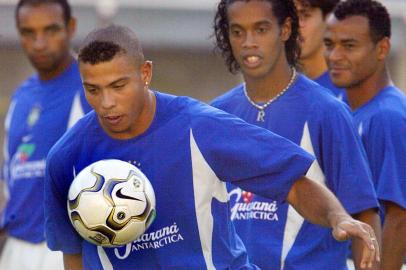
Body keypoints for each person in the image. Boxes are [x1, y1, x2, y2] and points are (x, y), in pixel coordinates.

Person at [44, 24, 379, 270]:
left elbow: (294, 185)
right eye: (93, 89)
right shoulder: (66, 159)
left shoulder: (199, 125)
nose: (106, 103)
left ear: (145, 73)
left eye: (118, 86)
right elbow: (73, 256)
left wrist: (337, 217)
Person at [211, 0, 380, 269]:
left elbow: (363, 214)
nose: (248, 42)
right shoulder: (216, 115)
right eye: (237, 31)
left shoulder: (327, 111)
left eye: (261, 29)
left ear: (286, 29)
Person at [0, 0, 91, 269]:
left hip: (63, 248)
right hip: (16, 246)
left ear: (70, 27)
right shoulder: (20, 97)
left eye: (50, 30)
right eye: (29, 32)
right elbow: (12, 174)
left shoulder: (91, 88)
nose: (39, 43)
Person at [324, 0, 406, 269]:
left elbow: (399, 218)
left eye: (349, 46)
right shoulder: (348, 111)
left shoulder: (388, 116)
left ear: (382, 48)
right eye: (329, 44)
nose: (334, 56)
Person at [294, 0, 345, 100]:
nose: (294, 26)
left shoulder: (351, 90)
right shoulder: (275, 89)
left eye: (304, 15)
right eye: (289, 17)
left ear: (330, 20)